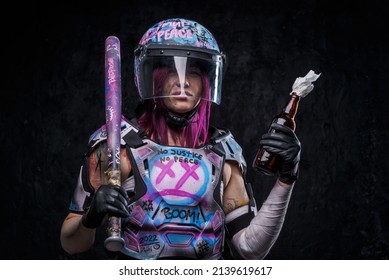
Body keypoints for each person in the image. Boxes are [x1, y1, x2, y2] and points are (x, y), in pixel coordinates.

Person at [60, 18, 301, 260]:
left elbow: (251, 249)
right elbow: (71, 244)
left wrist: (286, 179)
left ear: (206, 83)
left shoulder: (223, 153)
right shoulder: (116, 147)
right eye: (170, 71)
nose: (183, 81)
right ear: (152, 78)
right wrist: (90, 217)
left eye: (194, 72)